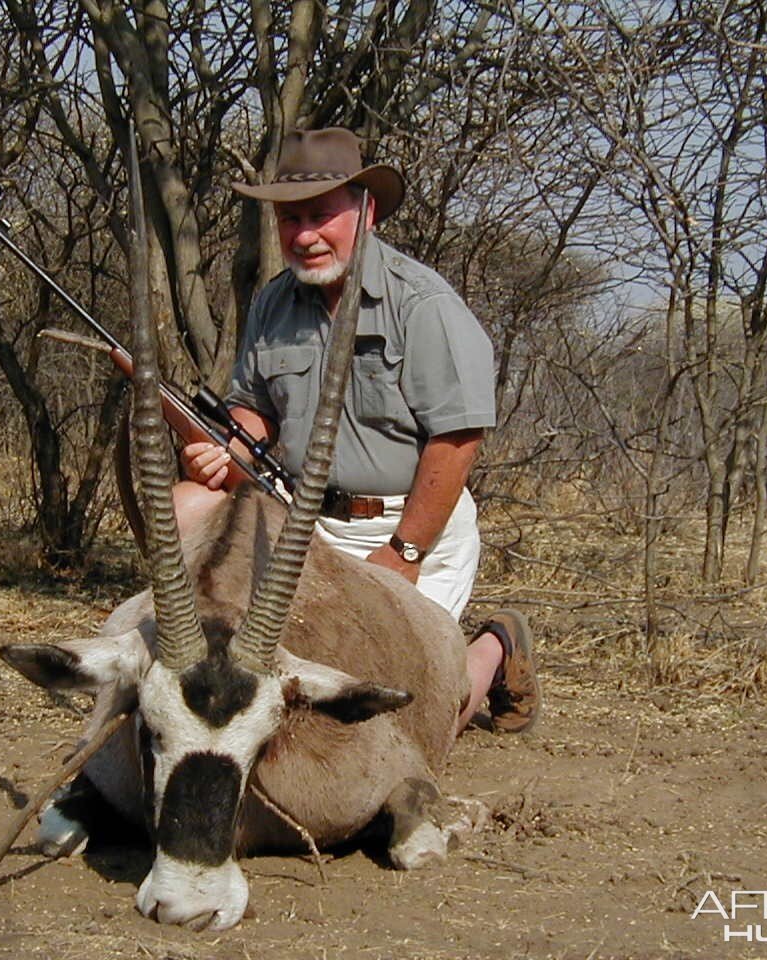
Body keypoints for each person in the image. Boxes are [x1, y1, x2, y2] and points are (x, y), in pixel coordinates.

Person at [175, 127, 540, 734]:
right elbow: (254, 407)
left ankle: (492, 649)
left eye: (321, 215)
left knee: (402, 720)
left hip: (403, 527)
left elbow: (457, 440)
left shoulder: (423, 305)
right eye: (290, 219)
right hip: (301, 520)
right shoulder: (274, 302)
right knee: (190, 505)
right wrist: (224, 449)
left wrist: (405, 552)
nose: (305, 235)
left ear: (366, 212)